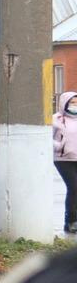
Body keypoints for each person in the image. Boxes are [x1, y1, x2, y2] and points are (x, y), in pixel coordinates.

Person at [54, 87, 77, 235]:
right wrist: (58, 145)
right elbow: (44, 138)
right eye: (72, 103)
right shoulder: (57, 120)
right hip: (63, 159)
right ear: (65, 104)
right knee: (74, 187)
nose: (74, 106)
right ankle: (70, 222)